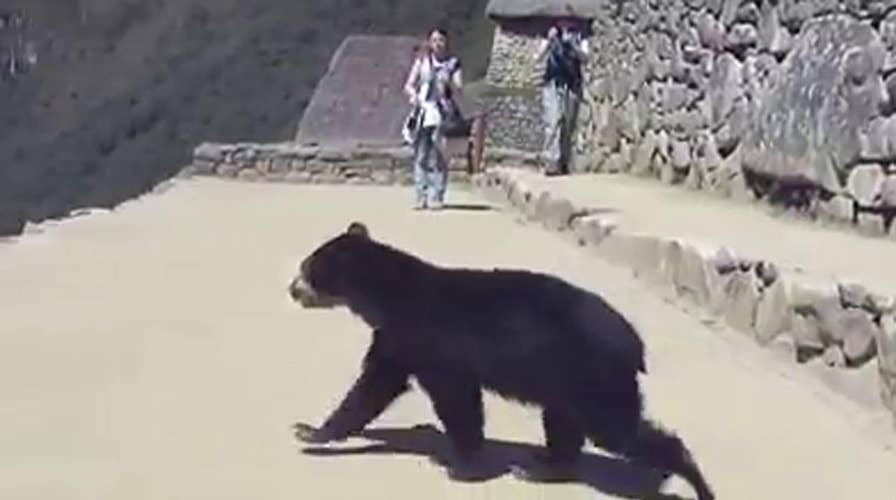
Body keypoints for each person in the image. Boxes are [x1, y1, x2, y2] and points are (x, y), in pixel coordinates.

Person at [402, 27, 463, 210]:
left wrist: (449, 83)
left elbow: (459, 87)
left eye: (441, 40)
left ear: (446, 43)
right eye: (434, 40)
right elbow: (409, 84)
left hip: (441, 113)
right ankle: (421, 195)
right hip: (422, 112)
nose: (437, 44)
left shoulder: (453, 64)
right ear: (430, 42)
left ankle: (437, 194)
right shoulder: (422, 61)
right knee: (421, 154)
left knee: (439, 155)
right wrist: (413, 95)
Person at [534, 19, 589, 176]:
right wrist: (549, 43)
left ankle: (563, 161)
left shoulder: (579, 36)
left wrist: (573, 46)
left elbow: (586, 58)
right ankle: (550, 161)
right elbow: (537, 58)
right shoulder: (550, 34)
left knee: (567, 123)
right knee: (553, 120)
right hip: (553, 81)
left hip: (572, 83)